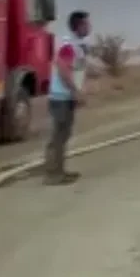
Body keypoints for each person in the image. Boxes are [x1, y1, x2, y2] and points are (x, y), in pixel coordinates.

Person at [45, 10, 91, 185]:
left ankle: (60, 171)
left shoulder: (78, 45)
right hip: (61, 97)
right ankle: (52, 175)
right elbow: (63, 70)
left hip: (68, 96)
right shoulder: (68, 45)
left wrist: (81, 90)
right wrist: (75, 91)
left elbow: (77, 69)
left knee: (64, 134)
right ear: (79, 26)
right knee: (58, 136)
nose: (90, 26)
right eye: (87, 23)